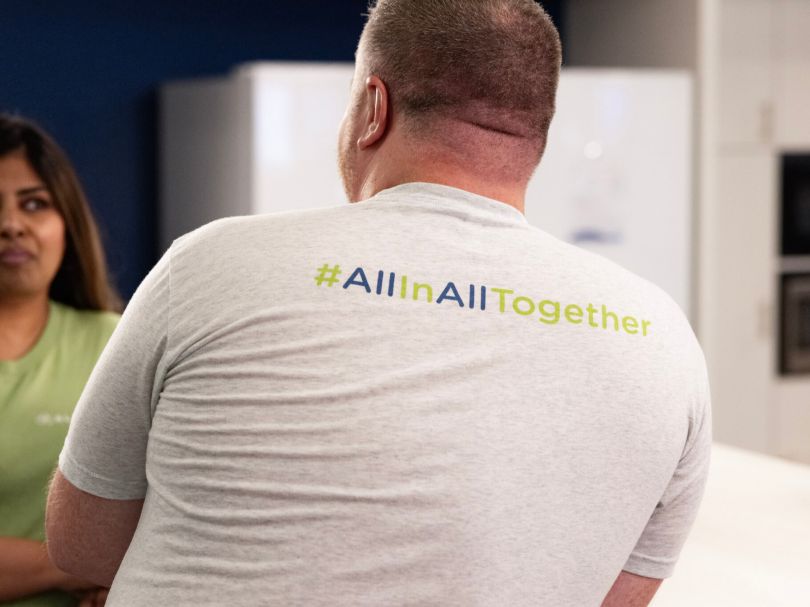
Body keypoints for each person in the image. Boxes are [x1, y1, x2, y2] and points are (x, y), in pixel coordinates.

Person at [45, 1, 712, 605]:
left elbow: (82, 544)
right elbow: (616, 596)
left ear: (373, 108)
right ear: (538, 133)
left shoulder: (211, 264)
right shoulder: (661, 336)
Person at [0, 114, 120, 607]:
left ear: (66, 223)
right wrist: (76, 566)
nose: (11, 225)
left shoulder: (118, 344)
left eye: (34, 204)